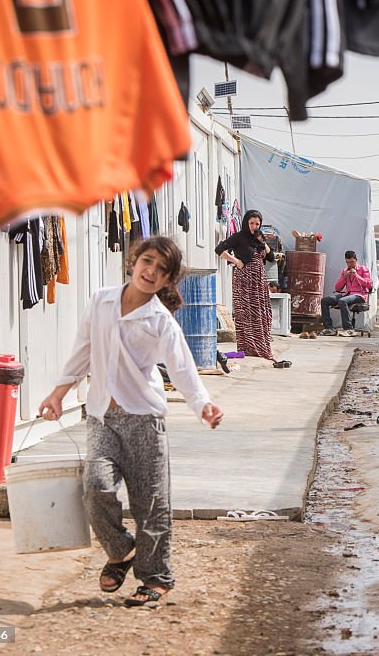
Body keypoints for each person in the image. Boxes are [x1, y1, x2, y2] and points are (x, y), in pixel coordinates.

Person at [38, 237, 224, 608]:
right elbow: (83, 349)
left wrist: (202, 404)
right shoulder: (101, 300)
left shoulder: (160, 319)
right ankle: (122, 550)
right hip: (101, 417)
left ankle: (156, 577)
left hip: (144, 419)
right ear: (133, 260)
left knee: (150, 503)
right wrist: (58, 393)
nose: (151, 271)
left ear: (169, 279)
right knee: (96, 488)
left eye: (161, 270)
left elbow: (182, 366)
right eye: (147, 261)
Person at [215, 209, 285, 365]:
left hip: (259, 281)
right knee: (245, 312)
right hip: (244, 280)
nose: (254, 226)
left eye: (257, 224)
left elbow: (272, 257)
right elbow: (219, 249)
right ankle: (247, 347)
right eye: (252, 223)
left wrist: (263, 241)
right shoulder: (239, 237)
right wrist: (235, 261)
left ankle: (260, 347)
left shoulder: (258, 240)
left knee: (260, 312)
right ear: (246, 222)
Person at [321, 250, 373, 336]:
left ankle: (349, 329)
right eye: (348, 262)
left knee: (342, 301)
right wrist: (344, 278)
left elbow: (369, 284)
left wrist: (357, 276)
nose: (350, 264)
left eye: (352, 262)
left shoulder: (363, 269)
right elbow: (337, 288)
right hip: (347, 294)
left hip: (359, 295)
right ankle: (329, 328)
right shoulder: (345, 271)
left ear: (356, 260)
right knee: (325, 300)